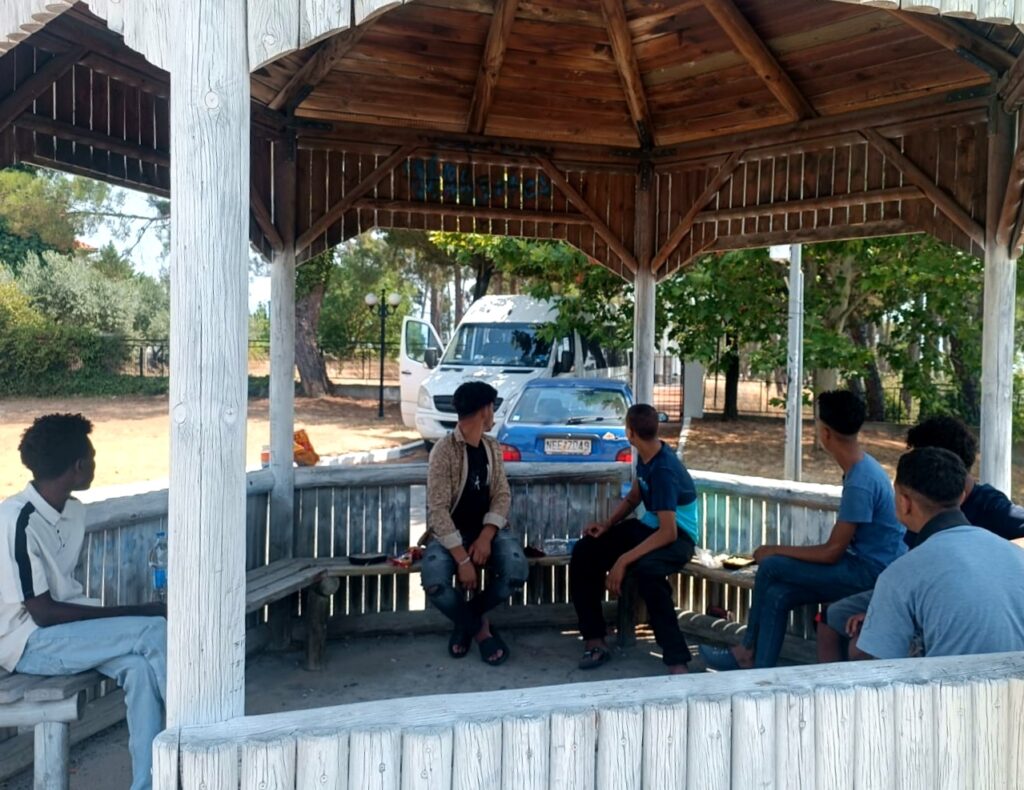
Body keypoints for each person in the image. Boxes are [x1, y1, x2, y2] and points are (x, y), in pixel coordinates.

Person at [0, 414, 166, 790]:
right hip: (26, 643)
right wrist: (137, 611)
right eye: (91, 456)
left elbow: (62, 599)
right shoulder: (17, 520)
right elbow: (42, 613)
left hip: (66, 634)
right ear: (78, 466)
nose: (94, 462)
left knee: (140, 669)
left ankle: (151, 783)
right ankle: (198, 745)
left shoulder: (73, 511)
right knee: (153, 630)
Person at [700, 390, 905, 670]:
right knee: (778, 595)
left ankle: (746, 648)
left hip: (870, 572)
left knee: (771, 565)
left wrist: (773, 549)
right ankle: (759, 671)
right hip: (864, 564)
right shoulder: (864, 468)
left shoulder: (861, 480)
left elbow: (832, 552)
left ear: (825, 433)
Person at [819, 415, 1024, 661]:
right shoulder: (1014, 557)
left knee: (860, 648)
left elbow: (880, 665)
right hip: (1014, 681)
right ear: (960, 496)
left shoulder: (901, 574)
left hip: (950, 684)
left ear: (904, 503)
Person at [569, 404, 698, 674]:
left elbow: (669, 532)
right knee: (586, 551)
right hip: (650, 528)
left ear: (630, 433)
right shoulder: (646, 454)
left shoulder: (663, 469)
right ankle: (595, 640)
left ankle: (677, 661)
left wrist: (623, 560)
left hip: (678, 539)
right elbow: (634, 497)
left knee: (647, 571)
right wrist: (607, 525)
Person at [421, 381, 528, 665]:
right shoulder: (444, 450)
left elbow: (502, 494)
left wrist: (486, 535)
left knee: (516, 571)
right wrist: (462, 559)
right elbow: (438, 510)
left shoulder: (492, 447)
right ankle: (479, 629)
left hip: (489, 532)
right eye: (492, 407)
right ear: (484, 410)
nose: (493, 413)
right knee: (434, 581)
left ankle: (466, 621)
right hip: (450, 534)